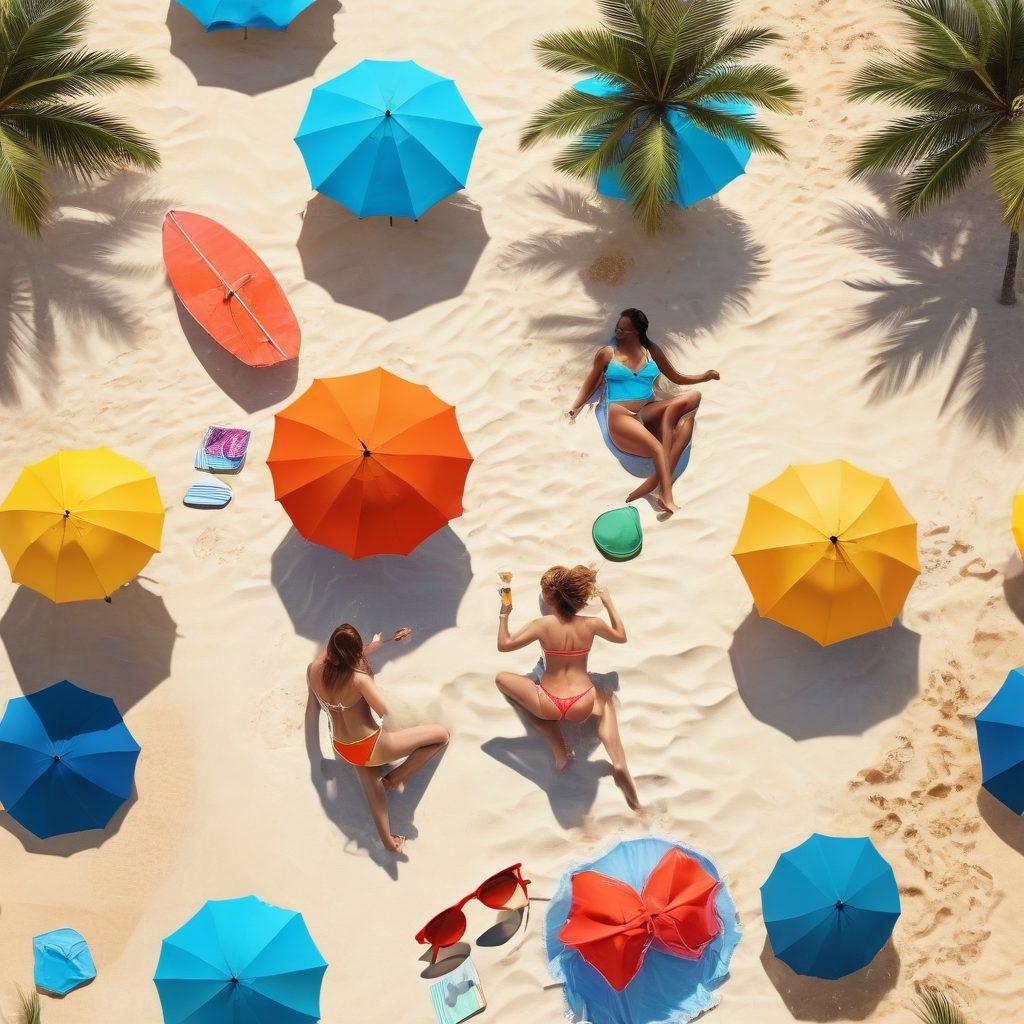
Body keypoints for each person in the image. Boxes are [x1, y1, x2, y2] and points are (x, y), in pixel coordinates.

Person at [494, 565, 640, 810]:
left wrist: (504, 613)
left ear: (550, 599)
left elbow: (504, 644)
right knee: (605, 700)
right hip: (581, 704)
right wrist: (608, 603)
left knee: (504, 681)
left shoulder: (541, 625)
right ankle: (618, 761)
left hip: (549, 703)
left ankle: (559, 750)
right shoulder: (592, 624)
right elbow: (621, 636)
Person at [308, 624, 450, 854]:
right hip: (371, 746)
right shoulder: (359, 680)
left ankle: (389, 842)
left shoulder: (314, 669)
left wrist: (383, 642)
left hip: (343, 747)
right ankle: (395, 778)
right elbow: (384, 711)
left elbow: (341, 654)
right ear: (356, 653)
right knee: (441, 736)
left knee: (373, 791)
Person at [567, 308, 720, 515]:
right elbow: (590, 382)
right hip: (620, 416)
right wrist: (575, 407)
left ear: (637, 332)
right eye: (617, 328)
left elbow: (676, 377)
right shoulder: (607, 354)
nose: (618, 332)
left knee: (693, 399)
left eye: (624, 330)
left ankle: (654, 483)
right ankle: (666, 496)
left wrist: (704, 376)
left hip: (646, 412)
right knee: (658, 447)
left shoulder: (651, 352)